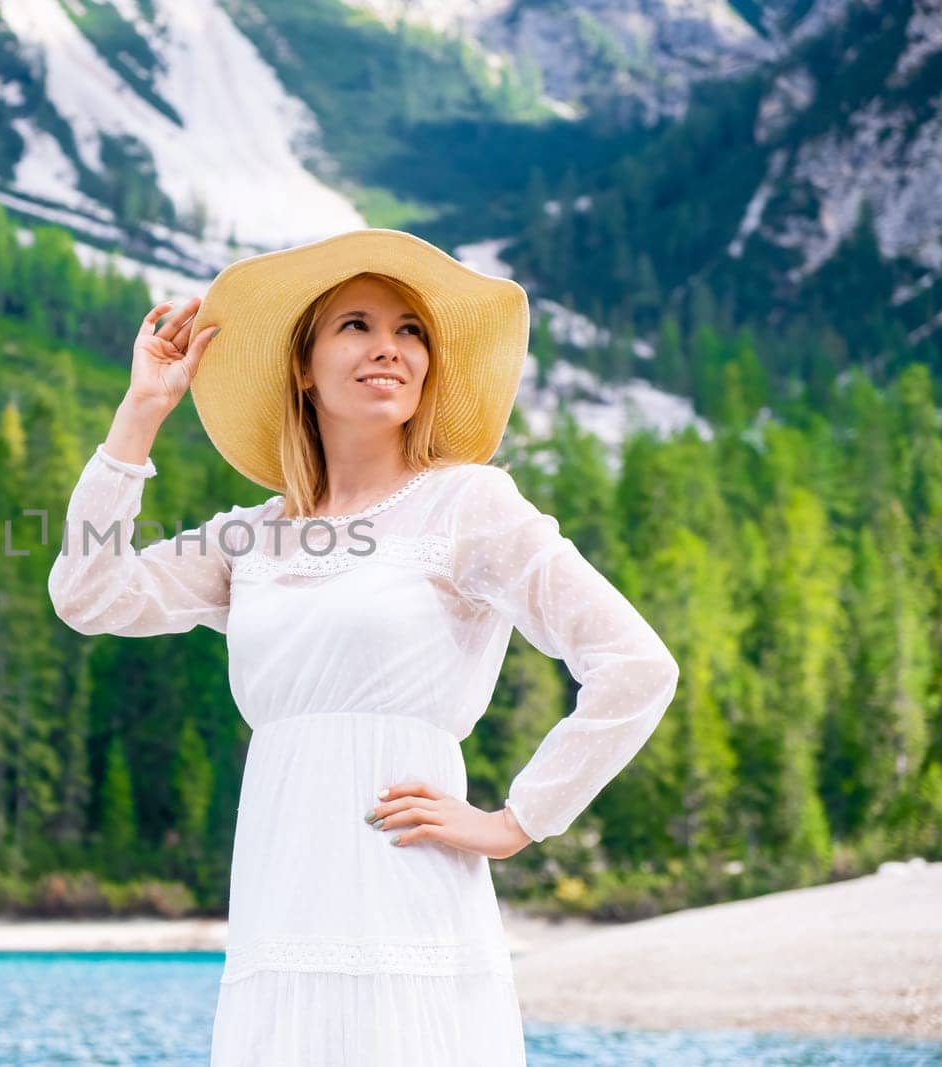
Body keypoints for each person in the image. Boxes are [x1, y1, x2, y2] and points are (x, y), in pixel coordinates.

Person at [45, 228, 680, 1065]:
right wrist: (140, 416)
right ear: (302, 367)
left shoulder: (470, 504)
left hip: (407, 887)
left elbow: (636, 666)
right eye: (357, 325)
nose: (390, 348)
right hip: (281, 890)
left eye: (410, 330)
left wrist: (517, 820)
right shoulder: (252, 539)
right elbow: (89, 592)